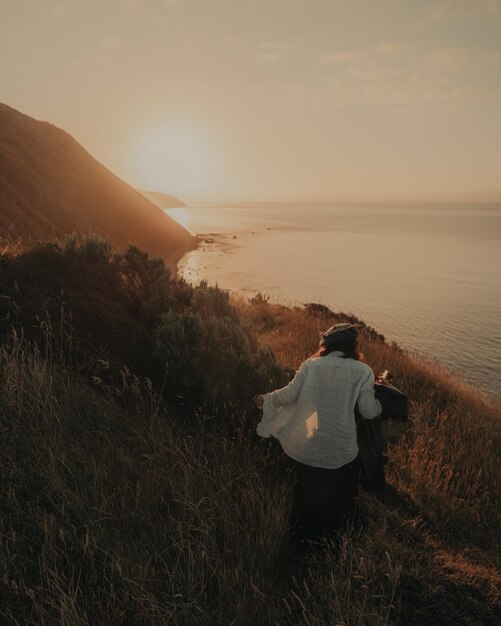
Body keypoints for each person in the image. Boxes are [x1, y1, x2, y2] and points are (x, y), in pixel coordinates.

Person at [255, 323, 382, 547]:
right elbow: (367, 411)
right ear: (353, 346)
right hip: (341, 453)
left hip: (305, 448)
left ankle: (298, 542)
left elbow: (289, 395)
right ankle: (329, 545)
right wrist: (381, 405)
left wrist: (266, 399)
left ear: (326, 346)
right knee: (336, 501)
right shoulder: (364, 371)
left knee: (304, 498)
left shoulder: (311, 365)